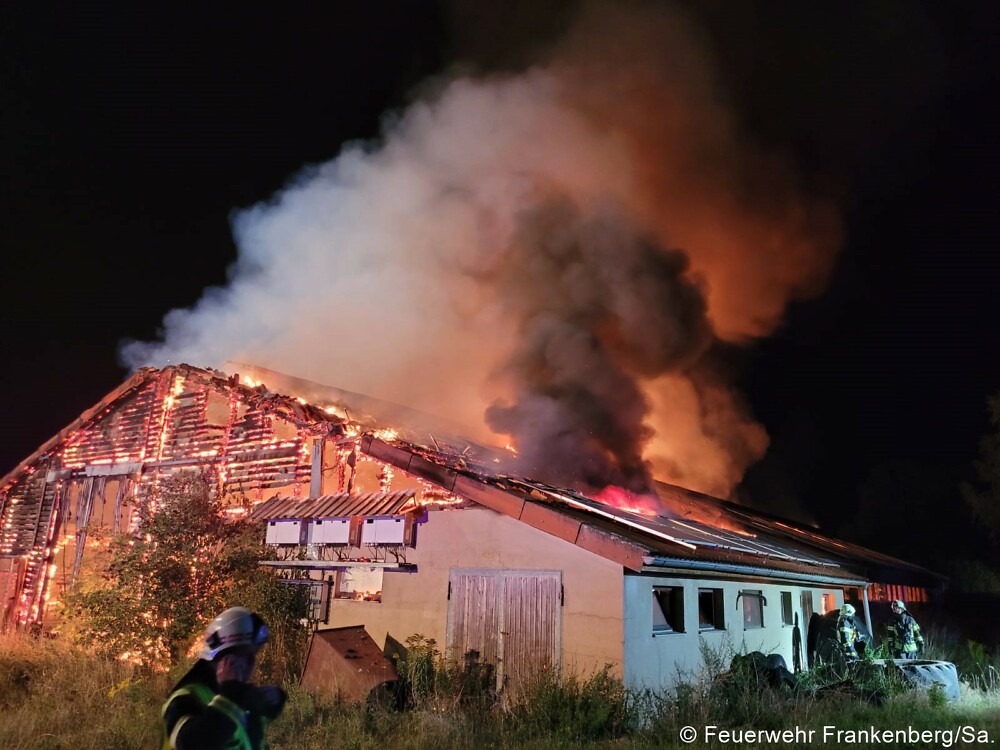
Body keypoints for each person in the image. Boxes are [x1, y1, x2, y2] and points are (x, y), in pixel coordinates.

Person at [161, 607, 287, 750]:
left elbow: (255, 727)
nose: (251, 664)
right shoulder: (184, 699)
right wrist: (231, 692)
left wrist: (275, 699)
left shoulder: (234, 695)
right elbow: (191, 743)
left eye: (253, 656)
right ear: (224, 657)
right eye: (245, 655)